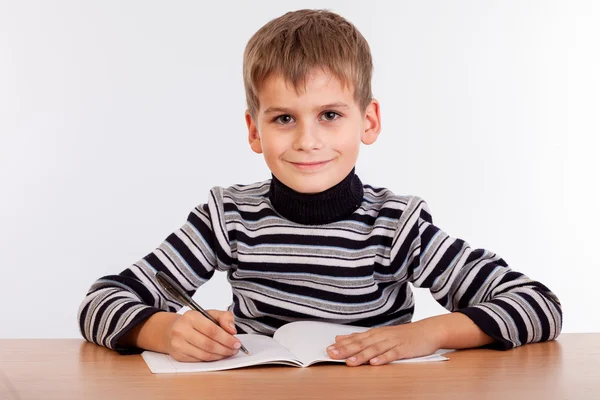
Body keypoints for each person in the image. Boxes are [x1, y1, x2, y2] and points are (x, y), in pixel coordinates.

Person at [78, 9, 562, 367]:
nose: (307, 141)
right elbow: (100, 302)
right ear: (254, 131)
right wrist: (165, 331)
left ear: (367, 121)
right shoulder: (227, 219)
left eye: (330, 115)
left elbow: (538, 305)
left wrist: (431, 333)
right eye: (284, 118)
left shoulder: (397, 226)